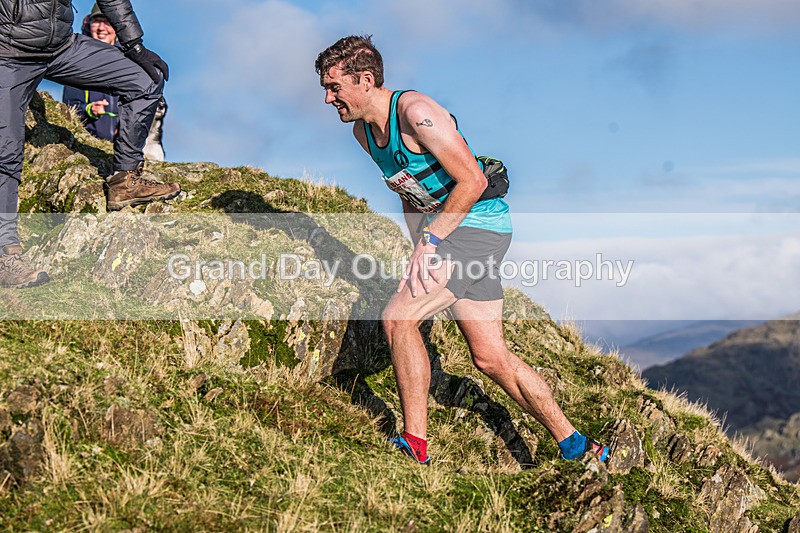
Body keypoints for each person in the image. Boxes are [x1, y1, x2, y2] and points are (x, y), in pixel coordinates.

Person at [315, 35, 609, 465]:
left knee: (398, 318)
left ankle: (414, 444)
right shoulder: (364, 133)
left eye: (334, 87)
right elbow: (408, 190)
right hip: (450, 234)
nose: (327, 98)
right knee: (490, 358)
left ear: (364, 79)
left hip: (479, 229)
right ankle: (577, 446)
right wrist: (422, 242)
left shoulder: (416, 114)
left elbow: (471, 180)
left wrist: (432, 241)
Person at [0, 0, 180, 288]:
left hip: (62, 48)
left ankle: (124, 180)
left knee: (146, 80)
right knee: (5, 154)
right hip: (8, 54)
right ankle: (4, 255)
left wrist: (134, 44)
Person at [62, 4, 167, 160]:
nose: (101, 27)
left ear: (116, 27)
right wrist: (90, 110)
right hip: (90, 145)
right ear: (88, 24)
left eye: (107, 22)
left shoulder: (130, 61)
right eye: (97, 21)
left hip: (129, 148)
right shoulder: (78, 60)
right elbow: (68, 108)